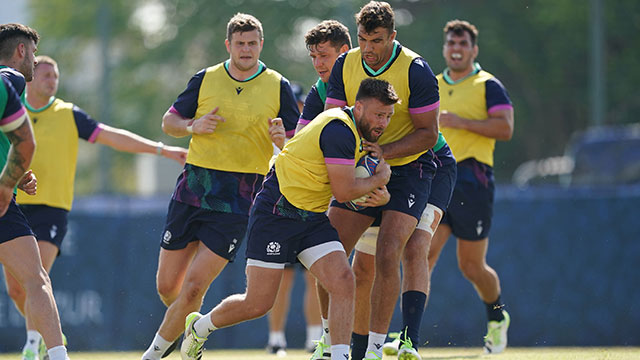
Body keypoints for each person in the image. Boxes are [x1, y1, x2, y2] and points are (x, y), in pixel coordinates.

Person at [179, 78, 396, 360]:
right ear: (359, 107)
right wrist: (380, 179)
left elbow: (350, 187)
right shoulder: (339, 130)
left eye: (389, 116)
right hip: (277, 213)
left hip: (312, 217)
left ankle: (340, 355)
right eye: (379, 114)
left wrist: (384, 196)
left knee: (343, 280)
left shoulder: (359, 134)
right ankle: (199, 327)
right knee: (257, 303)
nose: (383, 122)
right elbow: (344, 192)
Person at [3, 54, 188, 360]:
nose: (51, 80)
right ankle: (51, 333)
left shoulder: (67, 113)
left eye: (55, 75)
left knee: (37, 275)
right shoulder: (12, 107)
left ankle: (34, 345)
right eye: (45, 74)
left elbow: (111, 136)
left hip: (52, 208)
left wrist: (161, 149)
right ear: (30, 77)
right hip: (13, 200)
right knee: (17, 289)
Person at [140, 13, 299, 360]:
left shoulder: (278, 85)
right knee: (169, 287)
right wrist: (193, 125)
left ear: (261, 45)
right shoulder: (206, 78)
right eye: (239, 43)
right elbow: (169, 122)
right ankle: (188, 326)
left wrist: (282, 138)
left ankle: (153, 354)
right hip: (194, 188)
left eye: (252, 43)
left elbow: (296, 139)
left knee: (195, 286)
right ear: (228, 45)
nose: (246, 49)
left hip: (240, 198)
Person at [315, 2, 441, 360]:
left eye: (376, 40)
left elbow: (428, 134)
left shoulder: (416, 69)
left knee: (389, 254)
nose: (368, 47)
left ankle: (372, 350)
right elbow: (333, 119)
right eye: (362, 39)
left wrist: (382, 152)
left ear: (392, 37)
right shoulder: (345, 63)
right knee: (327, 250)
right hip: (362, 165)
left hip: (409, 171)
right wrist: (359, 163)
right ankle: (329, 341)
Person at [426, 19, 515, 354]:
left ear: (473, 49)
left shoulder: (487, 84)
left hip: (472, 180)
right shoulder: (432, 85)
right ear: (445, 48)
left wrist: (460, 122)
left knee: (471, 266)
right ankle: (407, 335)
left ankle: (497, 317)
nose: (456, 49)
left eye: (463, 44)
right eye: (451, 44)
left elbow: (505, 128)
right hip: (437, 179)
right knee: (422, 255)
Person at [0, 28, 70, 360]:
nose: (37, 60)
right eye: (35, 52)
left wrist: (15, 174)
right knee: (36, 279)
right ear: (21, 51)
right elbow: (26, 142)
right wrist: (5, 184)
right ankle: (58, 357)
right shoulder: (10, 80)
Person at [265, 82, 322, 355]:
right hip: (283, 211)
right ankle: (276, 340)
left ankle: (314, 338)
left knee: (315, 277)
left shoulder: (317, 132)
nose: (299, 110)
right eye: (296, 105)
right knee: (281, 280)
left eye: (303, 105)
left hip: (312, 209)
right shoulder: (277, 133)